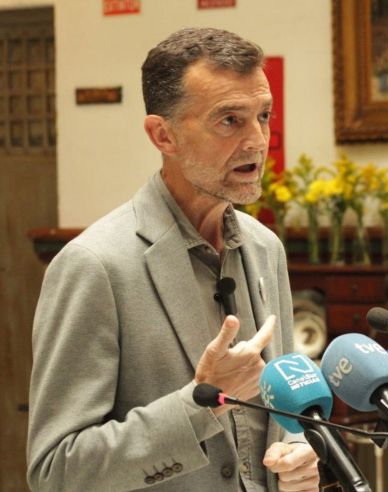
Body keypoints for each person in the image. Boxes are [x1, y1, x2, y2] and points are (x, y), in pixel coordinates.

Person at [27, 28, 319, 492]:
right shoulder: (93, 264)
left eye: (263, 116)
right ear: (163, 135)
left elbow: (280, 413)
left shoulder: (266, 249)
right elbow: (56, 471)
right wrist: (201, 405)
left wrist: (297, 452)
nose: (257, 141)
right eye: (230, 120)